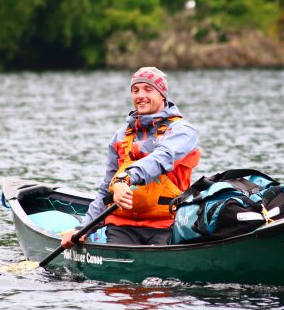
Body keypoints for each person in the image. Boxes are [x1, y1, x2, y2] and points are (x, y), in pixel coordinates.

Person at [61, 67, 200, 247]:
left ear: (162, 95)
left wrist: (124, 178)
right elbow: (106, 191)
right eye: (135, 90)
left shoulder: (183, 131)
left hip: (165, 225)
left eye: (148, 89)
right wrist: (82, 228)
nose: (140, 95)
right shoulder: (120, 136)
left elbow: (160, 159)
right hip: (121, 226)